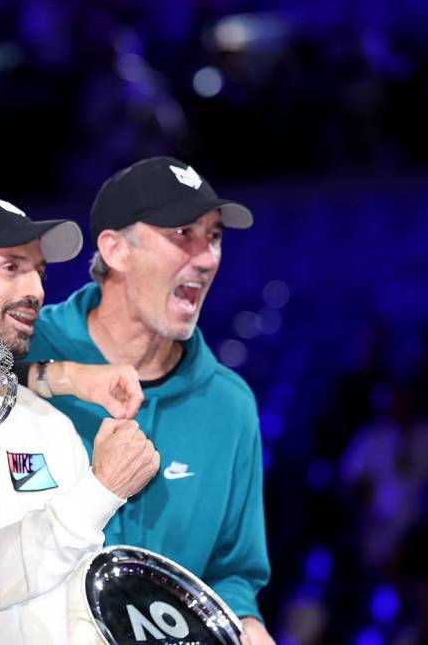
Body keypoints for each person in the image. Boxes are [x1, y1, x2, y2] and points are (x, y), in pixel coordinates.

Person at [28, 156, 276, 644]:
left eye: (214, 237)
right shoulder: (28, 349)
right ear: (115, 249)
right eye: (183, 233)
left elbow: (233, 571)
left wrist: (247, 623)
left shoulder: (229, 406)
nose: (206, 258)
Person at [0, 195, 159, 644]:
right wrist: (102, 489)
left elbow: (81, 596)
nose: (37, 291)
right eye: (12, 267)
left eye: (39, 272)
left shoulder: (50, 423)